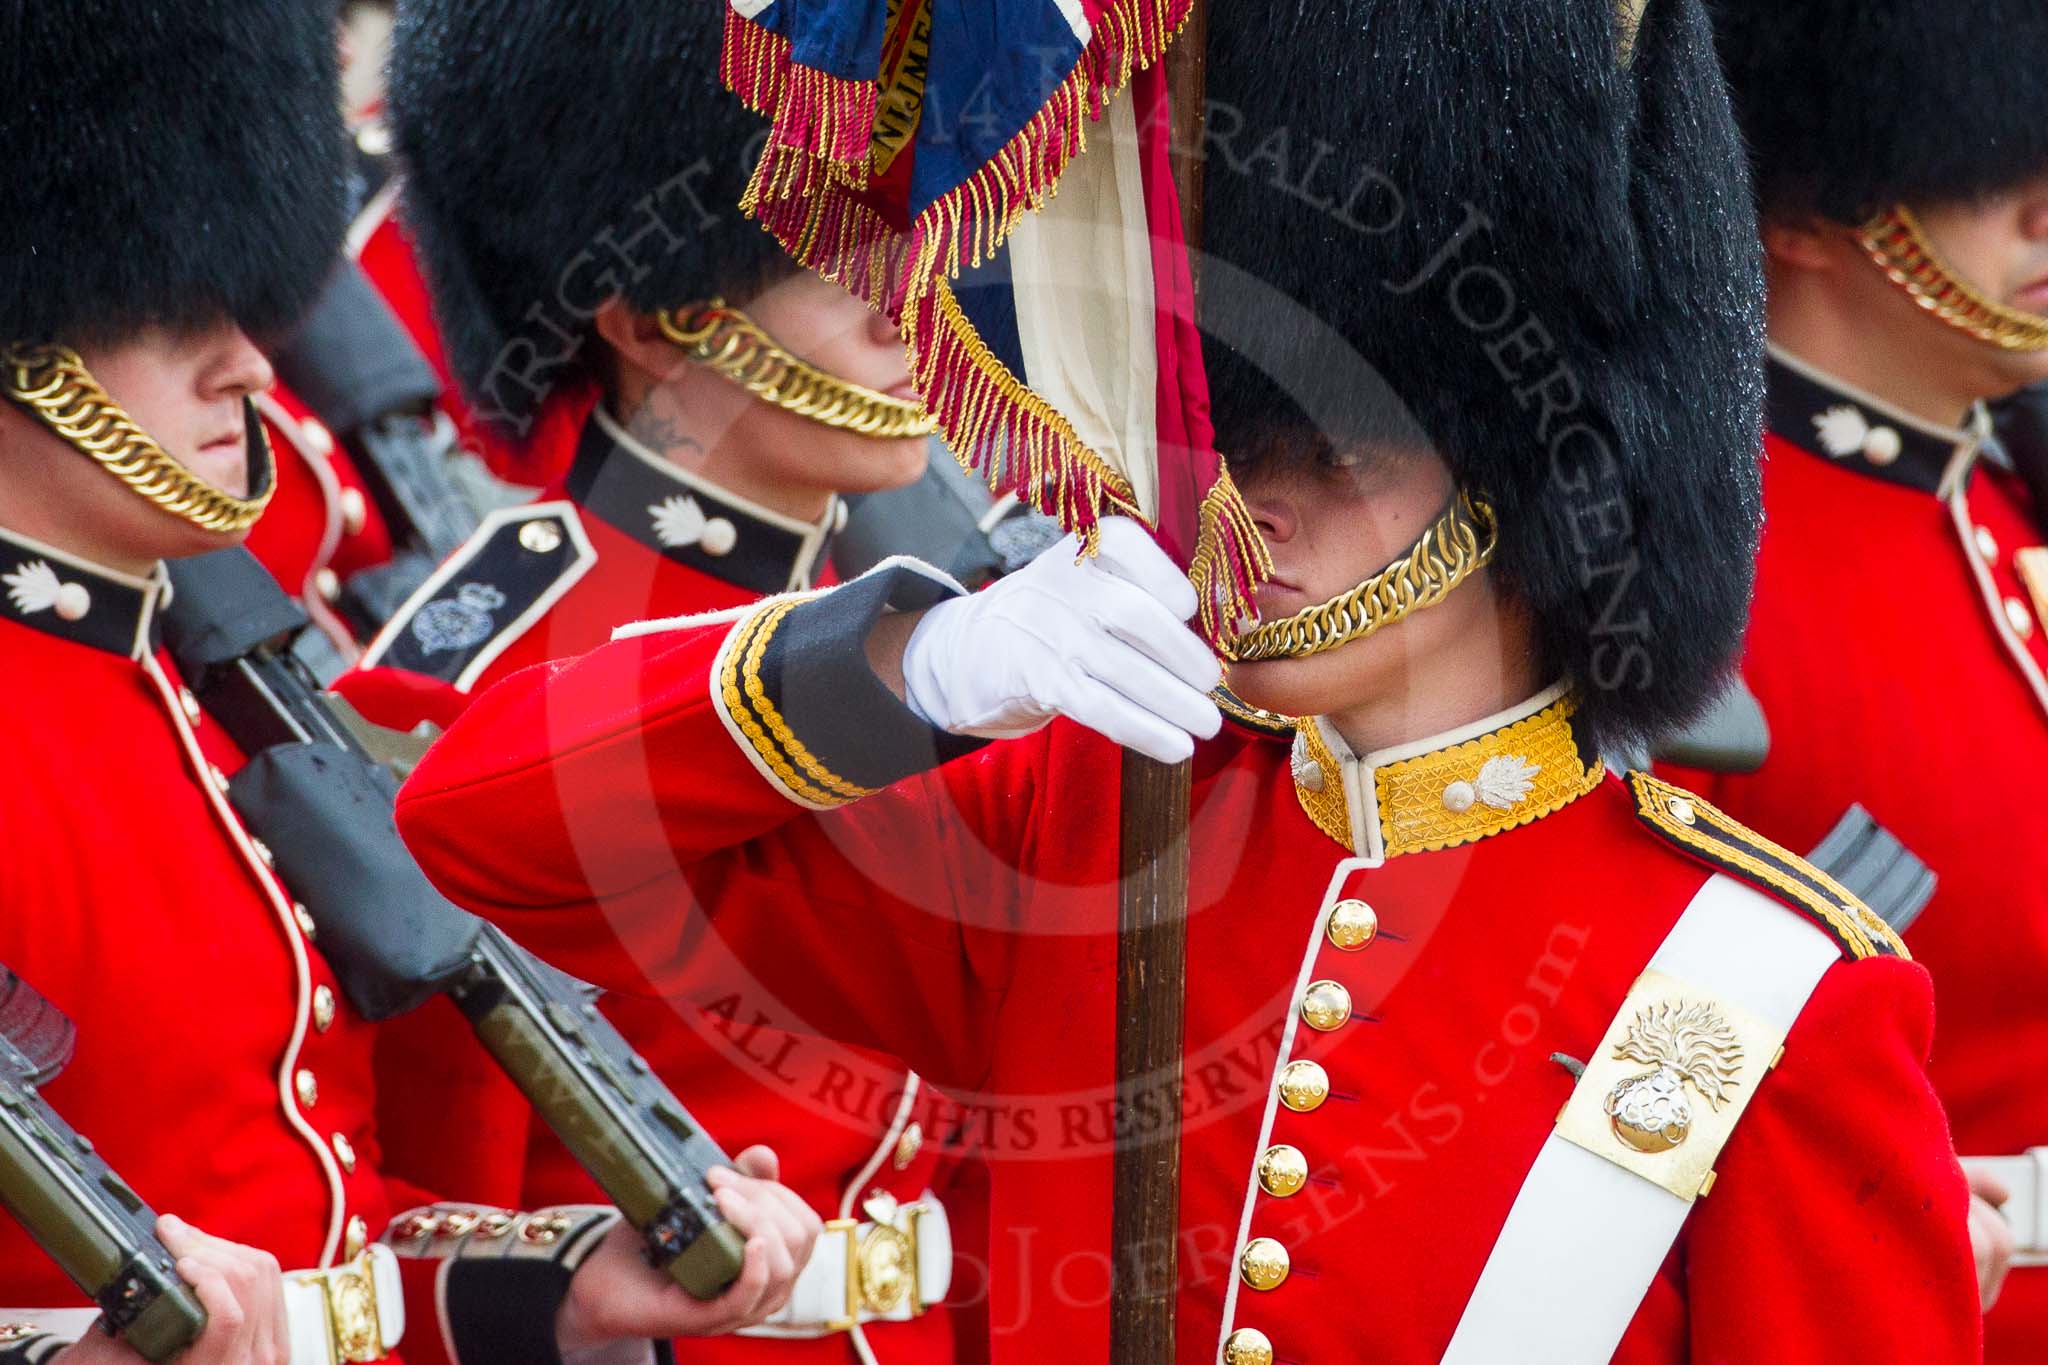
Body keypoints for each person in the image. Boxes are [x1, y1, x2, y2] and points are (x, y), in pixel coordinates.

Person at [392, 0, 1984, 1357]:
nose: (1245, 500)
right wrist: (920, 658)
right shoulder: (1092, 818)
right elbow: (488, 828)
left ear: (1528, 476)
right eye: (1229, 436)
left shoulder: (1776, 1002)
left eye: (1332, 451)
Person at [0, 3, 815, 1360]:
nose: (250, 362)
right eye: (163, 310)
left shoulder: (201, 704)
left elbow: (333, 1236)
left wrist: (563, 1288)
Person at [331, 3, 963, 1359]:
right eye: (828, 242)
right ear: (659, 319)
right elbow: (439, 1198)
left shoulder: (913, 623)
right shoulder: (491, 673)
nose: (909, 285)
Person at [1657, 2, 2048, 1347]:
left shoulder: (2002, 492)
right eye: (1983, 162)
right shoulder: (1702, 588)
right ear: (1808, 213)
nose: (2042, 209)